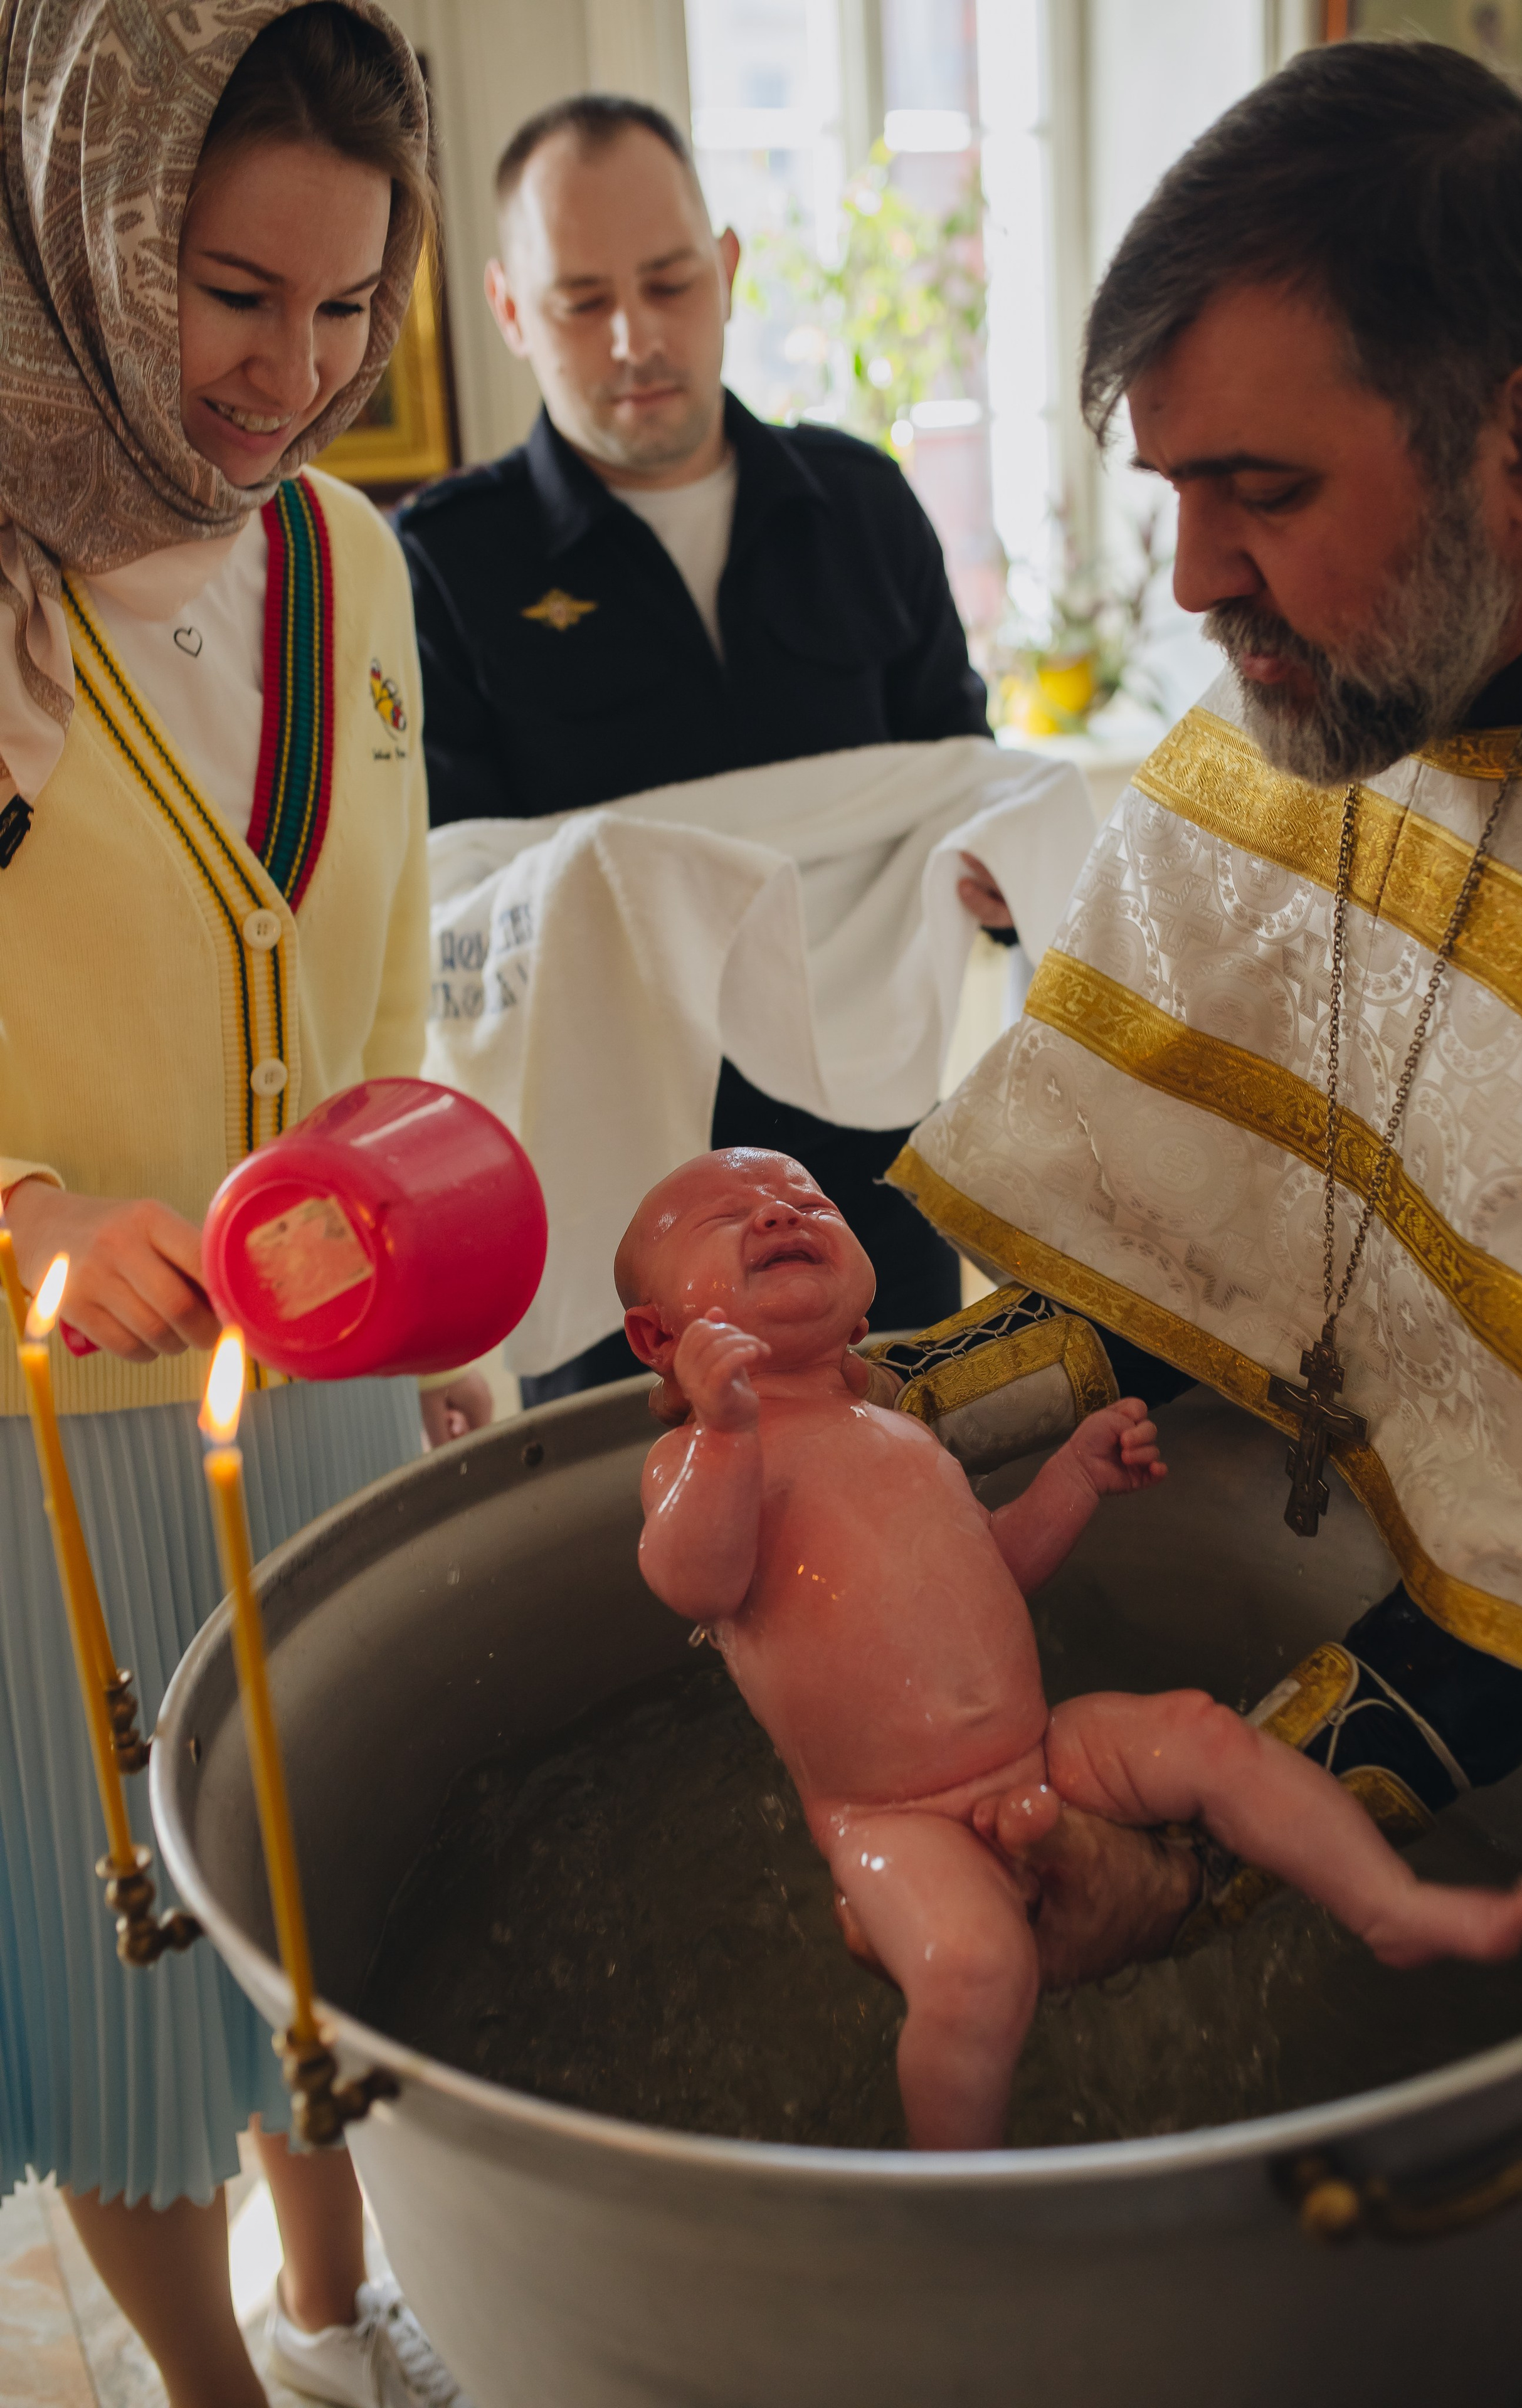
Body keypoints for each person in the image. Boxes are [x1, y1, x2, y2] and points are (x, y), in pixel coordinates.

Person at [887, 40, 1522, 1970]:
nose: (1199, 582)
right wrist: (860, 1422)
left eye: (1263, 489)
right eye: (1176, 494)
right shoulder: (1323, 671)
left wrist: (1198, 1834)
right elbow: (1194, 1237)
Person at [0, 6, 481, 2403]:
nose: (286, 369)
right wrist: (27, 1213)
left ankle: (336, 2313)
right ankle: (203, 2386)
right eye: (226, 288)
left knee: (332, 1884)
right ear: (93, 231)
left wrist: (435, 1279)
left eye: (342, 304)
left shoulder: (354, 565)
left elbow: (382, 988)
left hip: (315, 1369)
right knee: (127, 1957)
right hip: (50, 1442)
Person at [618, 1148, 1522, 2149]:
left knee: (1205, 1737)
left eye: (805, 1200)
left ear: (860, 1303)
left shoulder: (897, 1431)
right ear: (656, 1336)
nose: (776, 1214)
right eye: (728, 1218)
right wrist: (722, 1430)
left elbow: (988, 1577)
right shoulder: (696, 1461)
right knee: (978, 1972)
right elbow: (696, 1582)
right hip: (889, 1817)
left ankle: (1387, 1904)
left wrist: (1071, 1479)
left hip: (1039, 1752)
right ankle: (956, 2195)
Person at [398, 95, 1011, 1402]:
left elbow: (957, 773)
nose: (634, 339)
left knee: (913, 1516)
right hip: (621, 1223)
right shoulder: (443, 565)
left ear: (725, 271)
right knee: (638, 1574)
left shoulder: (860, 504)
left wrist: (1000, 874)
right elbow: (450, 905)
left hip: (865, 1188)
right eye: (580, 302)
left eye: (669, 283)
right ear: (509, 311)